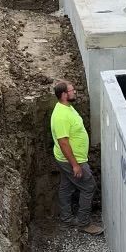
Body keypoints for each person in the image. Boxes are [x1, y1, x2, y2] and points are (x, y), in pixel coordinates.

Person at [50, 80, 103, 236]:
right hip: (71, 160)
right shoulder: (61, 116)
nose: (75, 92)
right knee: (88, 186)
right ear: (64, 95)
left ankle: (66, 219)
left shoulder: (67, 108)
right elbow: (63, 143)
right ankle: (84, 223)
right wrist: (75, 165)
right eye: (72, 90)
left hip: (70, 159)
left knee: (66, 187)